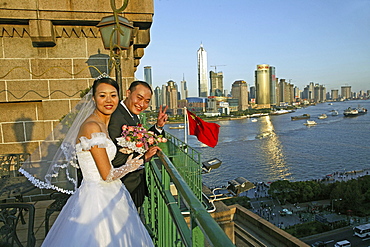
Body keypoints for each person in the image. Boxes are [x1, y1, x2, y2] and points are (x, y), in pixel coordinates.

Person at [21, 76, 154, 246]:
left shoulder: (101, 124)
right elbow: (107, 175)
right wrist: (133, 164)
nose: (108, 100)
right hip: (97, 198)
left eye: (113, 95)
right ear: (93, 98)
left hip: (111, 193)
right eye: (102, 95)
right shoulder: (92, 127)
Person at [108, 81, 168, 208]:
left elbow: (140, 141)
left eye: (147, 101)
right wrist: (143, 158)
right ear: (128, 93)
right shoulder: (116, 118)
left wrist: (158, 126)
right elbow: (114, 156)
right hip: (123, 187)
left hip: (133, 185)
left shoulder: (132, 115)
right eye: (139, 98)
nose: (142, 104)